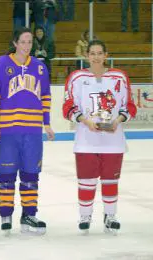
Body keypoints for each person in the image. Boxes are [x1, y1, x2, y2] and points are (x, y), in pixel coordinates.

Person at [62, 40, 137, 235]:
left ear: (106, 55)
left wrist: (117, 121)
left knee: (110, 181)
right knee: (86, 180)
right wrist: (86, 122)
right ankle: (85, 216)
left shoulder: (119, 77)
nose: (96, 57)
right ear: (87, 56)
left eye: (99, 53)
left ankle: (110, 216)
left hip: (113, 141)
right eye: (92, 53)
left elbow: (129, 105)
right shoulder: (76, 77)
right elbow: (68, 106)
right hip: (86, 140)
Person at [0, 27, 55, 235]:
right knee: (6, 174)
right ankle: (5, 214)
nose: (26, 46)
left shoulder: (39, 67)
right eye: (23, 42)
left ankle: (29, 215)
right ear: (15, 43)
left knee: (31, 174)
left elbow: (46, 96)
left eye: (29, 42)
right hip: (7, 129)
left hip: (32, 131)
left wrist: (47, 123)